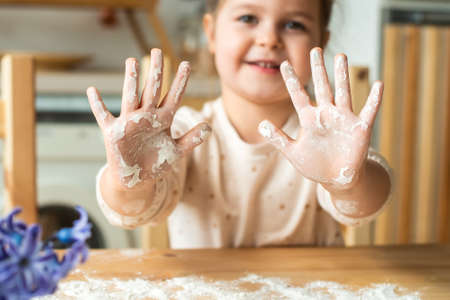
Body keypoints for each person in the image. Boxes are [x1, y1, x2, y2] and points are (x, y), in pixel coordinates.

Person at [86, 0, 392, 249]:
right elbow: (134, 209)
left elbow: (367, 203)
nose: (269, 38)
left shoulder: (325, 140)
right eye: (248, 17)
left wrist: (350, 183)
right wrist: (129, 182)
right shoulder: (181, 135)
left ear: (320, 43)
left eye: (294, 24)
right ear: (212, 33)